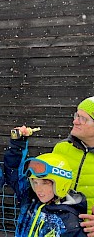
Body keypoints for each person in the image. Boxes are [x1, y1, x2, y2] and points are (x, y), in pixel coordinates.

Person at [4, 125, 87, 236]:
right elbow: (13, 172)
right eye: (35, 182)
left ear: (60, 184)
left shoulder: (69, 222)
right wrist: (17, 143)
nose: (38, 189)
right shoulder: (29, 199)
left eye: (45, 183)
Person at [52, 96, 94, 236]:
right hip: (59, 229)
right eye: (77, 115)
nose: (75, 121)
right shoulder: (61, 149)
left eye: (83, 119)